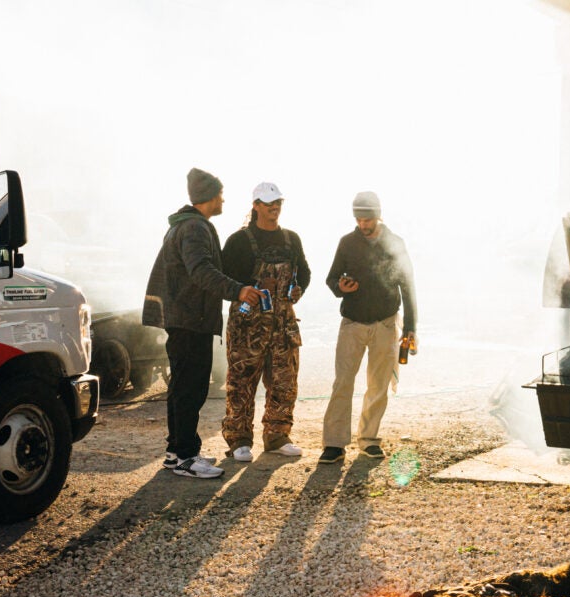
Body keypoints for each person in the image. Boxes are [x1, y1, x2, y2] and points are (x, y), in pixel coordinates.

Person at [142, 168, 264, 478]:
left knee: (183, 388)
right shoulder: (195, 228)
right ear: (209, 197)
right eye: (220, 193)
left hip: (185, 319)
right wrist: (238, 290)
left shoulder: (185, 225)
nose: (224, 199)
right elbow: (201, 271)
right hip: (190, 320)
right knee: (190, 390)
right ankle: (185, 458)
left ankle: (176, 453)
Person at [320, 191, 417, 463]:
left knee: (378, 385)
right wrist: (340, 287)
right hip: (352, 323)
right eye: (359, 219)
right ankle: (334, 444)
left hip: (386, 323)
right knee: (342, 383)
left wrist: (410, 327)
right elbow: (331, 279)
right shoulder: (347, 243)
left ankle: (369, 439)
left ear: (378, 215)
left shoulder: (395, 243)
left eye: (367, 219)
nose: (363, 225)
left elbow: (408, 287)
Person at [219, 182, 311, 462]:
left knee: (284, 382)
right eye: (269, 202)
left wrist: (298, 289)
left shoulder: (291, 239)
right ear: (256, 205)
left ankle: (277, 436)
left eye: (278, 202)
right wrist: (251, 286)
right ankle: (239, 441)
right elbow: (224, 279)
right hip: (249, 326)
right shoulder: (239, 241)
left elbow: (304, 272)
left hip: (283, 323)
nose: (274, 207)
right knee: (241, 383)